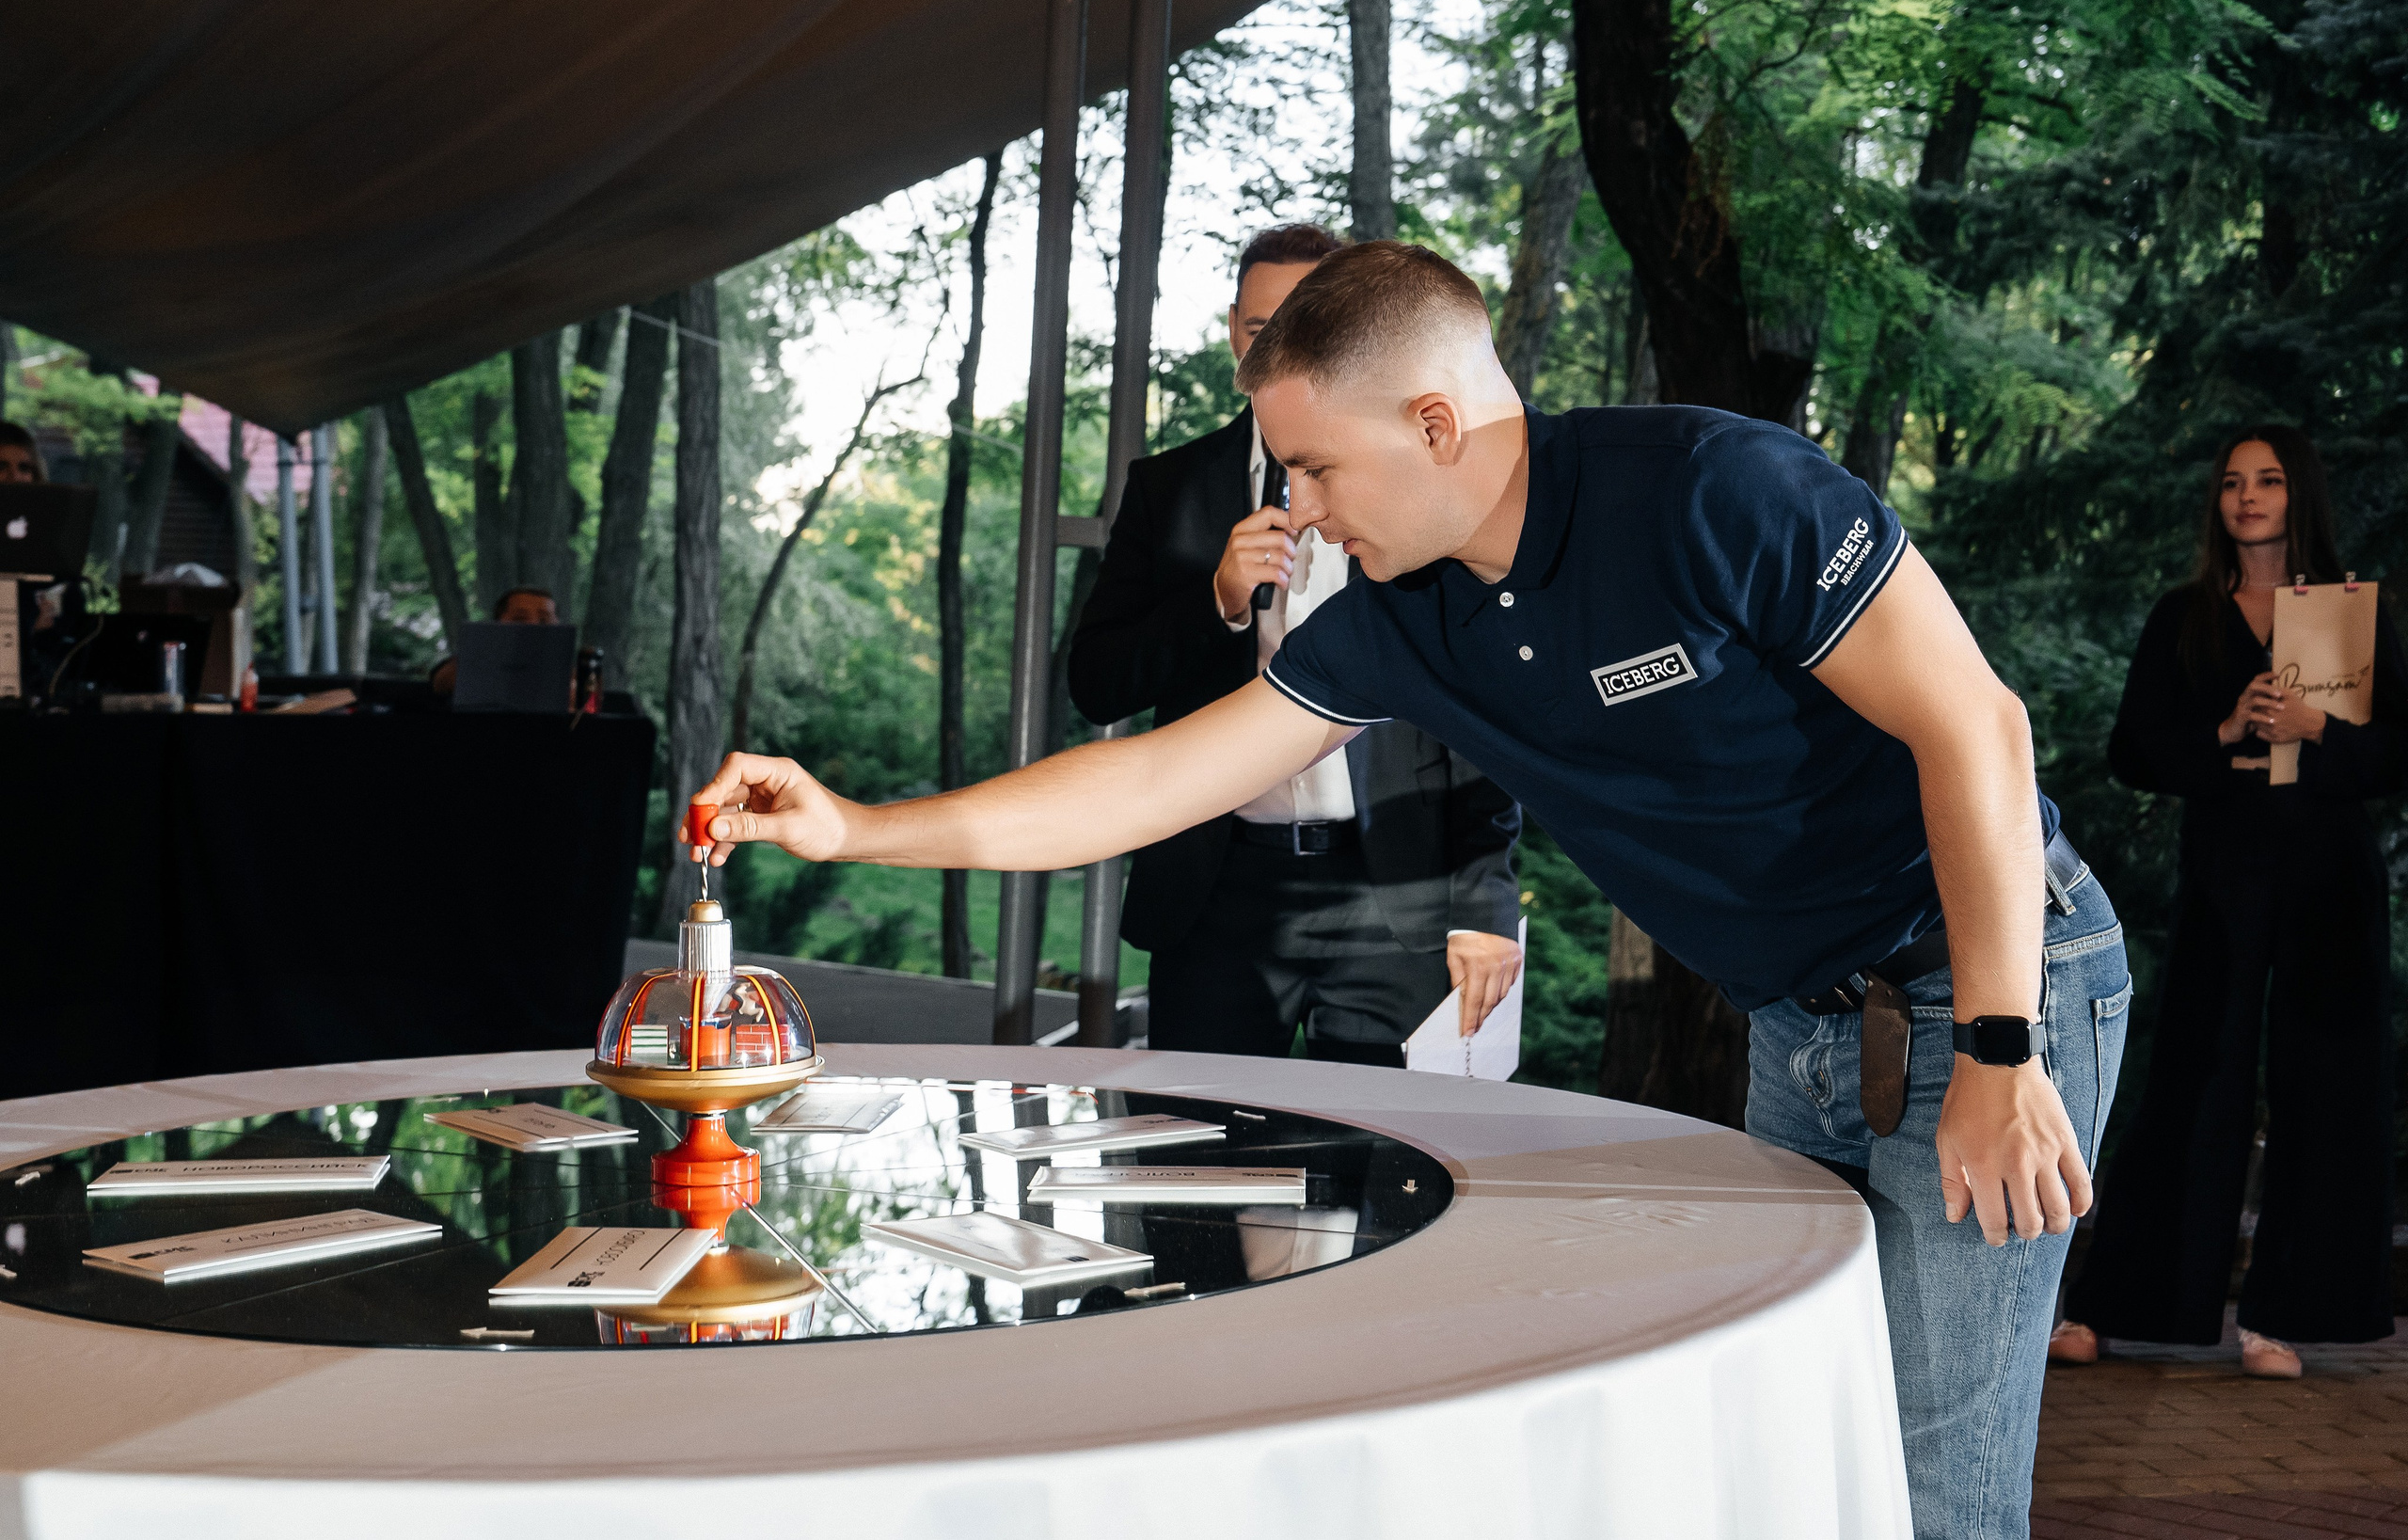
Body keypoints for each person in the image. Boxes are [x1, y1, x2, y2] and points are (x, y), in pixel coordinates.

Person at [681, 243, 2125, 1538]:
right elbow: (1146, 781)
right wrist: (853, 823)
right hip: (1802, 1025)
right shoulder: (1401, 622)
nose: (1295, 507)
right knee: (1817, 1448)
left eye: (1312, 468)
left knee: (1935, 1478)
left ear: (1434, 425)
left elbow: (1977, 726)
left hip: (1990, 982)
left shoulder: (1714, 488)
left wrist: (1999, 1044)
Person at [1068, 224, 1523, 1064]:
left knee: (1391, 1176)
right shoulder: (1166, 488)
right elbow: (1096, 683)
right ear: (1232, 328)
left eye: (1302, 326)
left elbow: (1477, 702)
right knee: (1192, 1166)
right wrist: (1216, 597)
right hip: (1217, 887)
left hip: (1393, 892)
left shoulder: (1421, 485)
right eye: (1257, 327)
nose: (1276, 347)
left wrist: (1483, 900)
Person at [2054, 428, 2405, 1378]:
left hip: (2331, 875)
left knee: (2326, 1083)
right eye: (2232, 483)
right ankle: (2119, 1307)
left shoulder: (2345, 614)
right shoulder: (2185, 616)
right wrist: (2222, 726)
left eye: (2270, 480)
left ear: (2302, 496)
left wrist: (2315, 728)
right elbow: (2132, 752)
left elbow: (2395, 758)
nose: (2247, 497)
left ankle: (2287, 1319)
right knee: (2190, 1080)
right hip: (2224, 871)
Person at [0, 421, 92, 692]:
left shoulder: (52, 557)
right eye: (1, 467)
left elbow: (75, 640)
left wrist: (41, 634)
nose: (14, 478)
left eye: (24, 468)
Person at [429, 585, 559, 696]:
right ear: (498, 623)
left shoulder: (568, 673)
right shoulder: (468, 663)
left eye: (543, 620)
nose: (533, 626)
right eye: (519, 618)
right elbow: (445, 681)